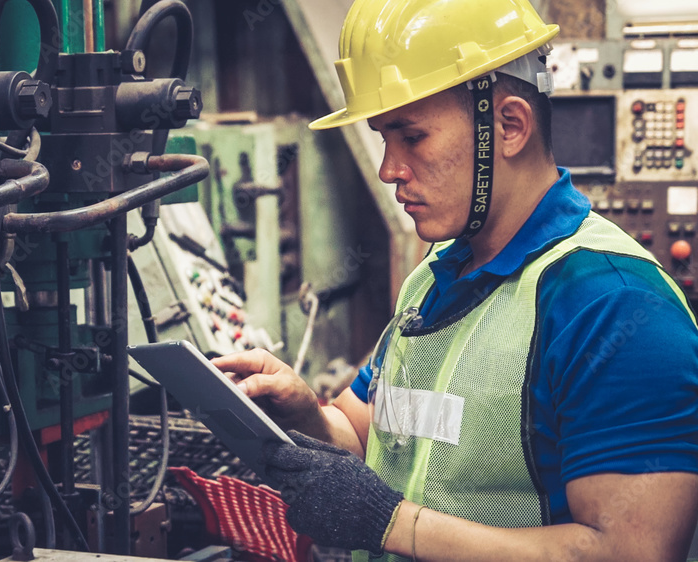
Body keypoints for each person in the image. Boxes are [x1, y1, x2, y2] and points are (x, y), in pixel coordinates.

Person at [211, 0, 698, 560]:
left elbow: (628, 552)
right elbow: (376, 436)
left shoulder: (613, 304)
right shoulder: (435, 274)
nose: (389, 168)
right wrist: (306, 414)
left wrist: (391, 526)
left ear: (509, 126)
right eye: (383, 139)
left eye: (411, 137)